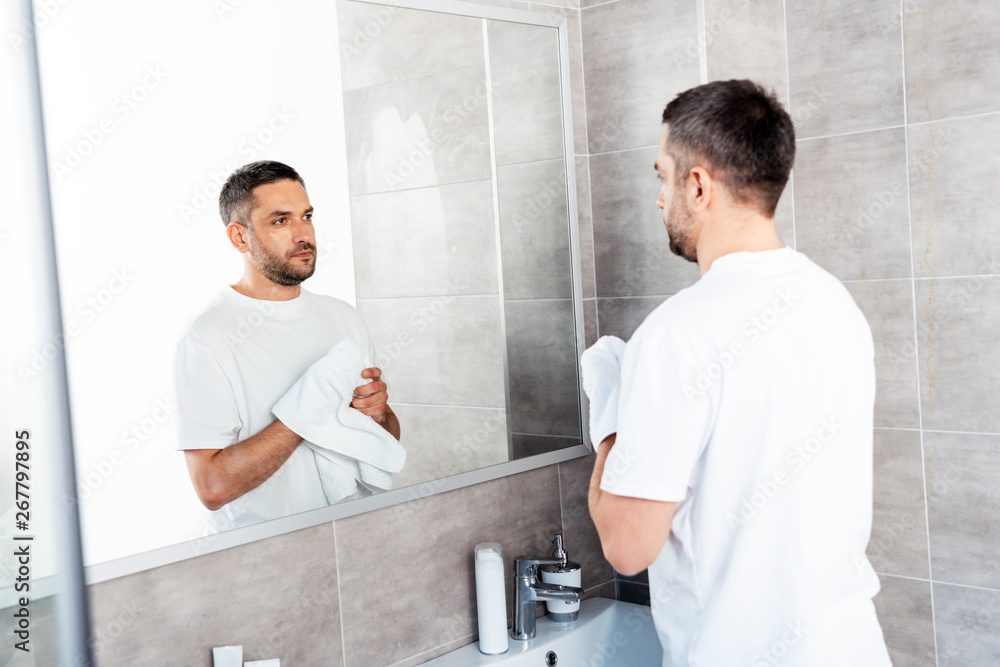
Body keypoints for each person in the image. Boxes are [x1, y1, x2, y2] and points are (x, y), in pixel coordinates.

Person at [587, 80, 891, 666]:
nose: (659, 198)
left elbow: (627, 548)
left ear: (697, 185)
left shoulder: (676, 333)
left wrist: (611, 421)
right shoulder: (835, 304)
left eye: (661, 176)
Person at [175, 160, 400, 531]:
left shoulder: (343, 318)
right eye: (280, 221)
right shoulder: (208, 337)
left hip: (351, 536)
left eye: (306, 216)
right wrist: (306, 412)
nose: (303, 234)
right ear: (239, 237)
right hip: (264, 558)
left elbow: (383, 440)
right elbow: (212, 488)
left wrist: (378, 416)